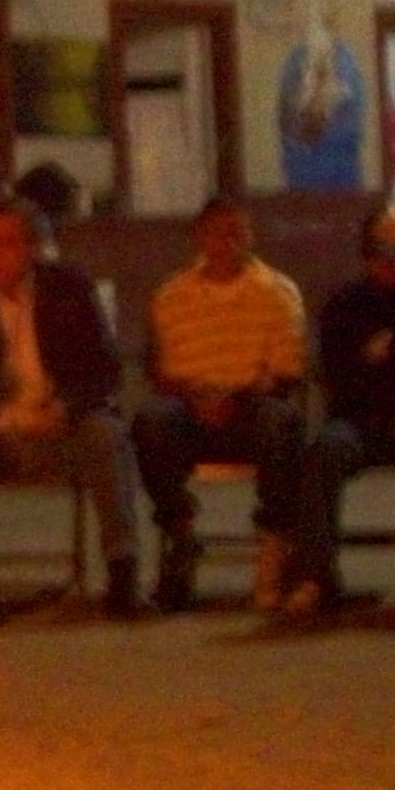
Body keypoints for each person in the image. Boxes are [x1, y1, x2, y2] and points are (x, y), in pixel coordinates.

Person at [0, 198, 142, 624]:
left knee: (105, 434)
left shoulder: (68, 288)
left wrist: (66, 406)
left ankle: (123, 571)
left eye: (8, 243)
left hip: (55, 430)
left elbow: (105, 370)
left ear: (34, 248)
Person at [282, 199, 395, 620]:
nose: (394, 265)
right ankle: (315, 574)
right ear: (367, 254)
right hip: (363, 420)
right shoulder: (347, 305)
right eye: (384, 254)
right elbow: (341, 375)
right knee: (326, 449)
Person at [133, 196, 306, 611]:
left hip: (250, 406)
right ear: (199, 237)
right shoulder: (172, 295)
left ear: (250, 236)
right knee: (151, 422)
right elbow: (160, 370)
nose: (226, 242)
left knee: (281, 422)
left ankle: (273, 544)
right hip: (191, 406)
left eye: (236, 233)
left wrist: (239, 395)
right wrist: (196, 395)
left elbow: (286, 371)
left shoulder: (277, 293)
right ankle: (180, 532)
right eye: (216, 233)